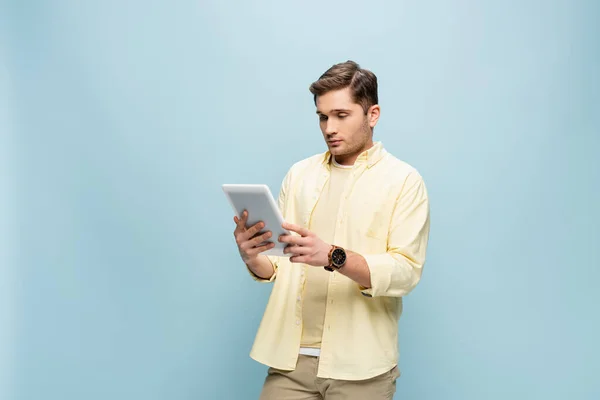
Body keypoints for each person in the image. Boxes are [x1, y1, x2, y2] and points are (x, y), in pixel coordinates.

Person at [232, 60, 430, 399]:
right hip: (290, 364)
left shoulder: (404, 181)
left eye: (341, 115)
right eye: (323, 117)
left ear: (373, 114)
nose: (329, 128)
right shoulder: (299, 175)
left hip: (362, 368)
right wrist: (252, 257)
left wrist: (333, 256)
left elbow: (405, 272)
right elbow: (279, 266)